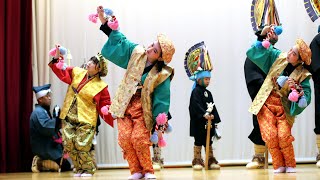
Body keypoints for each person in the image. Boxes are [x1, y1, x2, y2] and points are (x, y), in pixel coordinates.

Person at [98, 5, 175, 180]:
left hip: (143, 106)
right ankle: (136, 171)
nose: (149, 49)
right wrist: (105, 21)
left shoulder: (162, 74)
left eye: (154, 50)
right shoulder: (136, 51)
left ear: (160, 57)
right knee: (125, 138)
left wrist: (160, 119)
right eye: (151, 45)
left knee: (139, 138)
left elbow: (162, 98)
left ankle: (148, 170)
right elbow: (120, 41)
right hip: (125, 102)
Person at [246, 25, 312, 173]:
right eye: (290, 49)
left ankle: (290, 164)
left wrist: (300, 95)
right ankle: (278, 165)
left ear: (300, 59)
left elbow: (306, 96)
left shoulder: (303, 75)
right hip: (267, 104)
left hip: (284, 108)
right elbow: (257, 52)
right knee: (270, 135)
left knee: (283, 136)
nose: (289, 53)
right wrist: (263, 37)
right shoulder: (278, 57)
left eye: (294, 53)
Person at [49, 47, 113, 177]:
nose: (89, 63)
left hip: (86, 118)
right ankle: (78, 169)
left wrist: (106, 109)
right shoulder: (77, 72)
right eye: (90, 60)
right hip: (68, 114)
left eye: (93, 63)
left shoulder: (101, 86)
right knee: (68, 143)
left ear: (98, 69)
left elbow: (106, 102)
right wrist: (57, 59)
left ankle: (88, 169)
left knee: (81, 144)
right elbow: (62, 72)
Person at [244, 26, 280, 169]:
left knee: (279, 124)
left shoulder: (275, 53)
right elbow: (251, 73)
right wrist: (263, 87)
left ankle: (281, 158)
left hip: (274, 92)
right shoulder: (254, 52)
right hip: (261, 91)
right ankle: (259, 156)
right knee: (260, 118)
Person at [185, 42, 221, 170]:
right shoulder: (195, 92)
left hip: (209, 122)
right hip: (199, 121)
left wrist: (214, 118)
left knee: (209, 141)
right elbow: (195, 106)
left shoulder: (208, 93)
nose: (208, 81)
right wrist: (204, 114)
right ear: (199, 79)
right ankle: (197, 160)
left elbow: (213, 106)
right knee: (199, 140)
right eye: (206, 79)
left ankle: (210, 159)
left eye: (209, 79)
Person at [30, 84, 71, 172]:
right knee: (65, 167)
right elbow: (46, 129)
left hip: (50, 146)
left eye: (49, 96)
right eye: (47, 96)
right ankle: (39, 162)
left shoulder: (43, 111)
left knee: (66, 166)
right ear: (40, 99)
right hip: (44, 147)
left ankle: (46, 164)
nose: (50, 98)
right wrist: (56, 118)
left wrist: (59, 118)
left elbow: (54, 127)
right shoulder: (38, 112)